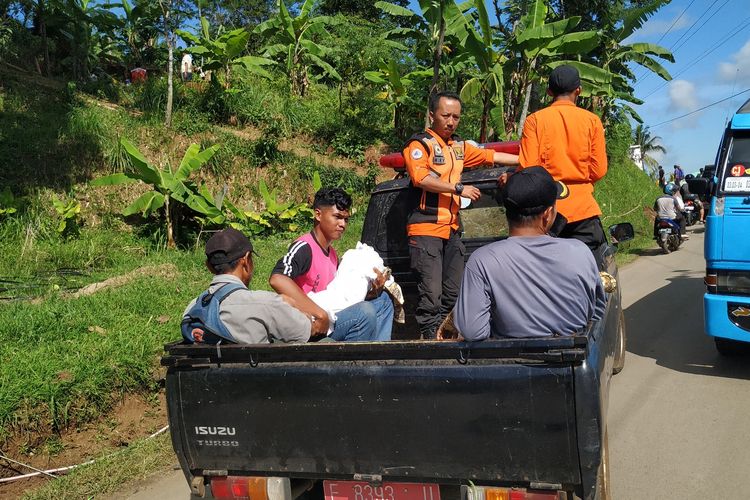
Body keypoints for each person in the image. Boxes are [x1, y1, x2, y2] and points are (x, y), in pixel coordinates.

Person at [402, 91, 519, 340]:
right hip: (426, 229)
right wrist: (458, 188)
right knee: (430, 296)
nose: (451, 121)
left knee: (454, 292)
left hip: (452, 228)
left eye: (456, 117)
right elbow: (421, 178)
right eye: (445, 115)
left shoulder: (459, 148)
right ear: (432, 115)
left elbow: (493, 156)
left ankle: (441, 333)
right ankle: (429, 340)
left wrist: (527, 162)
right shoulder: (419, 145)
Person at [454, 166, 606, 340]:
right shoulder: (580, 252)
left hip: (508, 363)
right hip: (572, 359)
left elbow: (472, 331)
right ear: (548, 215)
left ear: (507, 212)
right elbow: (596, 312)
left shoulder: (481, 261)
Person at [270, 187, 394, 342]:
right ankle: (353, 364)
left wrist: (371, 292)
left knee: (383, 302)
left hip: (331, 316)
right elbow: (277, 279)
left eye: (346, 219)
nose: (342, 224)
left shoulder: (333, 254)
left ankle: (380, 359)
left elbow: (338, 295)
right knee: (365, 312)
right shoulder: (304, 247)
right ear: (318, 215)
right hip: (310, 323)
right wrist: (319, 314)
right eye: (337, 217)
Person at [513, 64, 608, 251]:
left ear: (549, 92)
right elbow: (599, 170)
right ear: (578, 90)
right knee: (593, 272)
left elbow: (528, 169)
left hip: (546, 215)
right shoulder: (592, 121)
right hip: (583, 210)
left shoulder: (535, 120)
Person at [182, 228, 312, 344]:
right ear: (246, 260)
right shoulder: (266, 303)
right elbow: (306, 331)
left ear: (208, 266)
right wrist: (297, 310)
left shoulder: (192, 309)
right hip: (259, 370)